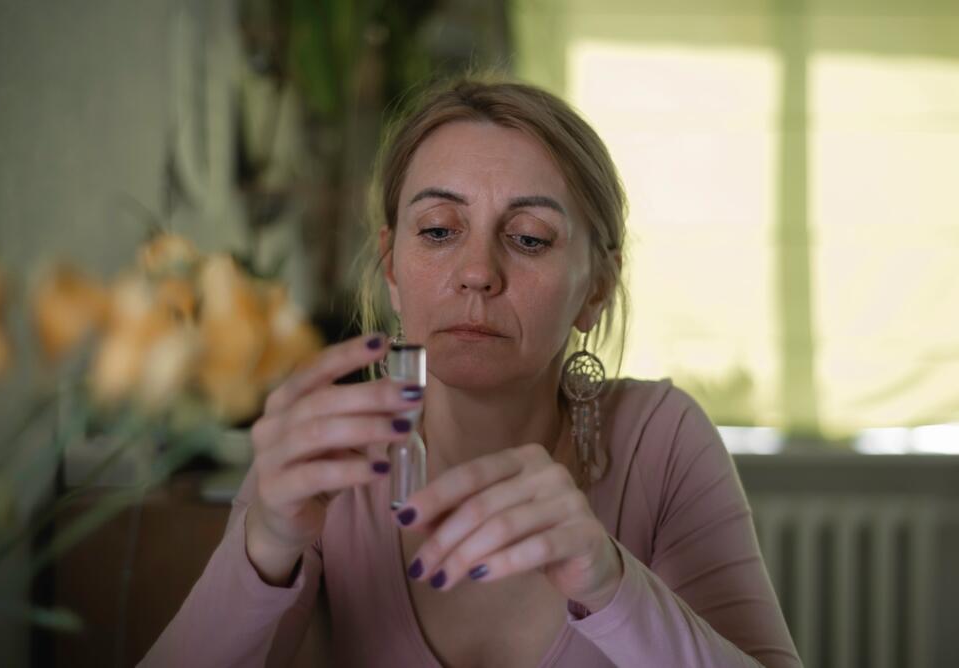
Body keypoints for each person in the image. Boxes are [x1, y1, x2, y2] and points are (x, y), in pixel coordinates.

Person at [141, 77, 801, 667]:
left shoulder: (662, 440)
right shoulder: (323, 453)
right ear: (392, 266)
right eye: (438, 231)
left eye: (530, 237)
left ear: (597, 287)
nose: (478, 272)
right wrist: (263, 544)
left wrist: (611, 583)